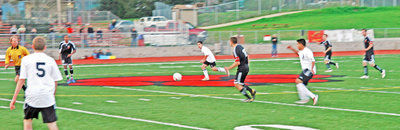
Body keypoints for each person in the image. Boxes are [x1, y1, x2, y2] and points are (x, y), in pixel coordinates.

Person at [9, 36, 63, 130]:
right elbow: (55, 81)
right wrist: (52, 95)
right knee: (52, 123)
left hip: (32, 96)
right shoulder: (50, 60)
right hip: (47, 96)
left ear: (32, 46)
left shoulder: (26, 60)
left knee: (27, 120)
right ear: (45, 47)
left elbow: (21, 80)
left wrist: (14, 99)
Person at [287, 39, 318, 105]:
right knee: (300, 84)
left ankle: (313, 96)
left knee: (298, 81)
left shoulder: (308, 51)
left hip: (309, 70)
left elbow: (313, 60)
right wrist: (292, 49)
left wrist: (312, 69)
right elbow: (298, 54)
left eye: (297, 44)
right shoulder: (301, 51)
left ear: (301, 44)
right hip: (305, 70)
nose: (297, 45)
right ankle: (304, 99)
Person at [224, 37, 256, 102]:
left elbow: (237, 62)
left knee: (237, 84)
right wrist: (247, 65)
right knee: (240, 83)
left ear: (231, 42)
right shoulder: (240, 46)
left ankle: (249, 97)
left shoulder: (235, 49)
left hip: (242, 68)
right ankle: (251, 91)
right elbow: (247, 56)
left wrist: (228, 68)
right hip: (245, 67)